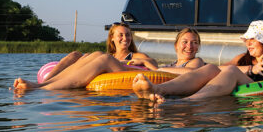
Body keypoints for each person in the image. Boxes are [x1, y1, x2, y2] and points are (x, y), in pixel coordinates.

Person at [132, 20, 263, 103]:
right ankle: (157, 90)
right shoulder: (242, 58)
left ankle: (187, 102)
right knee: (213, 67)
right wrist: (252, 68)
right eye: (247, 39)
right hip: (241, 90)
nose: (248, 42)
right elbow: (213, 71)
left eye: (253, 39)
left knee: (231, 72)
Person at [13, 23, 159, 91]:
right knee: (78, 54)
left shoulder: (135, 54)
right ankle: (46, 82)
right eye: (120, 35)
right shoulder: (110, 55)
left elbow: (154, 64)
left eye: (127, 35)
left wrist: (143, 60)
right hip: (107, 63)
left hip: (125, 73)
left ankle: (41, 88)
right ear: (112, 38)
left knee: (104, 58)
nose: (125, 38)